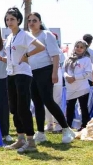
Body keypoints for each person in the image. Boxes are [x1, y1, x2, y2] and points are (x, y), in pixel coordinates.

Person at [0, 7, 46, 153]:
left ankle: (31, 141)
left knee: (23, 107)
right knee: (13, 107)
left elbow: (40, 47)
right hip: (11, 73)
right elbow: (13, 57)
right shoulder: (8, 38)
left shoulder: (24, 34)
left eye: (12, 19)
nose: (9, 22)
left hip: (23, 74)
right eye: (7, 19)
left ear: (19, 20)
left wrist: (27, 54)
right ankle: (20, 139)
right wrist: (3, 59)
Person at [26, 12, 75, 144]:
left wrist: (54, 73)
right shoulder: (28, 36)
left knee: (48, 100)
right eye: (29, 21)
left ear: (40, 22)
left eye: (34, 20)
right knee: (37, 103)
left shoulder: (47, 35)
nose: (31, 23)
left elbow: (55, 55)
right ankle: (41, 133)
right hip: (32, 72)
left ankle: (66, 129)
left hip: (46, 70)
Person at [64, 41, 93, 129]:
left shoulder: (86, 59)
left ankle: (84, 125)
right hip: (70, 87)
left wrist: (75, 77)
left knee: (83, 107)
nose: (79, 49)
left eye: (81, 47)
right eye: (77, 46)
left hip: (82, 87)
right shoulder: (68, 59)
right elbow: (64, 71)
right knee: (70, 107)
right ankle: (67, 126)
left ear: (85, 49)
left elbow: (88, 73)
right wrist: (67, 77)